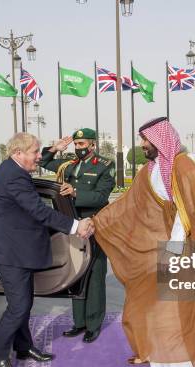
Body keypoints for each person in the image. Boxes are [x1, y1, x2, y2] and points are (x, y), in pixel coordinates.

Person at [92, 118, 195, 367]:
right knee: (147, 298)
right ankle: (151, 350)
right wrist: (97, 222)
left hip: (184, 247)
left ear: (159, 139)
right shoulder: (150, 169)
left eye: (145, 140)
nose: (142, 145)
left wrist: (172, 252)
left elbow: (187, 213)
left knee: (190, 308)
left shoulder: (183, 167)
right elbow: (129, 203)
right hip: (161, 244)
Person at [0, 132, 94, 367]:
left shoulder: (13, 169)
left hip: (17, 249)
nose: (38, 156)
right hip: (10, 252)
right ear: (18, 154)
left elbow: (34, 165)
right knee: (19, 306)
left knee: (24, 302)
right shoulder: (13, 177)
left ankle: (23, 347)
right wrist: (76, 226)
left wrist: (52, 150)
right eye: (34, 152)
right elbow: (37, 210)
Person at [39, 128, 115, 343]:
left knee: (95, 275)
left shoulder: (105, 165)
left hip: (94, 225)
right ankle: (79, 322)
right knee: (76, 272)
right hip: (72, 226)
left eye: (82, 144)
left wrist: (75, 193)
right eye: (76, 144)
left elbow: (101, 197)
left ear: (92, 145)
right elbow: (43, 162)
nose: (78, 148)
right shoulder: (68, 164)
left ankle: (93, 324)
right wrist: (55, 149)